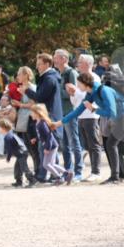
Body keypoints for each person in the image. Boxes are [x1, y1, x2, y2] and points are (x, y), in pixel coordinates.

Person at [56, 72, 124, 185]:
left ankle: (115, 177)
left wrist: (94, 109)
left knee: (111, 144)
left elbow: (112, 112)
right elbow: (78, 110)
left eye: (78, 83)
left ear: (85, 83)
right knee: (122, 147)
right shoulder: (91, 93)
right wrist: (60, 122)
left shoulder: (104, 91)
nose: (77, 86)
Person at [23, 53, 64, 183]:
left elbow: (40, 97)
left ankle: (54, 175)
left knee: (48, 148)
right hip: (48, 115)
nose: (37, 67)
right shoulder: (47, 77)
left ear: (47, 64)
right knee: (47, 148)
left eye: (39, 64)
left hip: (49, 115)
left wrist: (26, 91)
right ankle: (52, 175)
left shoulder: (49, 78)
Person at [53, 49, 83, 182]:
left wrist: (58, 94)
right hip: (61, 112)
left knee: (74, 142)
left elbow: (75, 93)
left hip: (70, 112)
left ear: (64, 59)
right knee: (64, 144)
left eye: (56, 57)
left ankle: (78, 171)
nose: (54, 60)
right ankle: (68, 171)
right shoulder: (58, 74)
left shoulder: (71, 73)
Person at [74, 54, 103, 181]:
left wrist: (75, 92)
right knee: (87, 144)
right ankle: (93, 170)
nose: (78, 64)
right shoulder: (79, 78)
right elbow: (76, 98)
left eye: (80, 62)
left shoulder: (94, 78)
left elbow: (87, 96)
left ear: (87, 64)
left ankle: (96, 172)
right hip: (81, 115)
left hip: (91, 115)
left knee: (94, 144)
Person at [31, 104, 72, 185]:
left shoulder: (42, 124)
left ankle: (59, 177)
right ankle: (67, 174)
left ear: (37, 113)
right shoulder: (39, 122)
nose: (31, 114)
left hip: (51, 146)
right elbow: (42, 135)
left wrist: (47, 148)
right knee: (52, 164)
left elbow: (49, 136)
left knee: (46, 164)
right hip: (51, 145)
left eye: (32, 112)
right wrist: (36, 138)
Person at [0, 118, 37, 188]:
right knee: (17, 168)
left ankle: (32, 180)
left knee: (24, 168)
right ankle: (19, 181)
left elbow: (9, 149)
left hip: (21, 153)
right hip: (22, 153)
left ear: (3, 128)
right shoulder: (11, 133)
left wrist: (8, 158)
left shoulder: (7, 137)